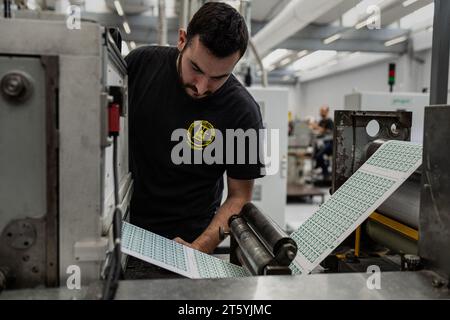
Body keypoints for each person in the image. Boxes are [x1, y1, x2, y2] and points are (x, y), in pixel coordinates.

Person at [125, 2, 264, 260]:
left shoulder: (242, 112)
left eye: (218, 78)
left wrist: (199, 248)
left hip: (190, 239)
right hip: (125, 229)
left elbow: (239, 196)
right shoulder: (139, 66)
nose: (201, 87)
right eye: (196, 69)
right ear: (181, 40)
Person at [309, 105, 334, 179]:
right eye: (321, 111)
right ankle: (319, 166)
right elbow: (319, 131)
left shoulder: (330, 122)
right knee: (314, 154)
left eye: (323, 111)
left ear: (327, 112)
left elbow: (329, 132)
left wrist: (317, 127)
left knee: (319, 155)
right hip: (322, 143)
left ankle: (325, 173)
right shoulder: (321, 121)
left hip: (330, 144)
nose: (321, 113)